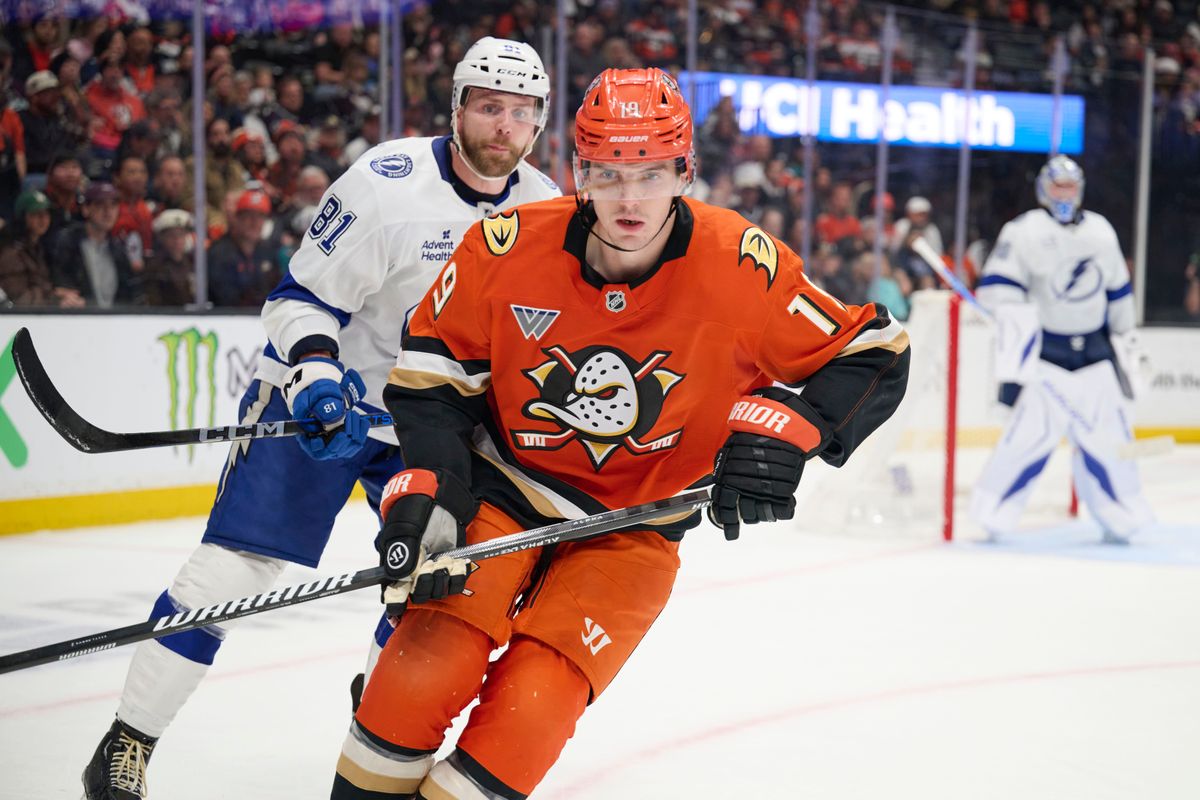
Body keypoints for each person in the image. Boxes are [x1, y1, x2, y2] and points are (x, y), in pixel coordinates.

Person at [331, 67, 910, 800]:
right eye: (608, 173)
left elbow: (875, 351)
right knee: (417, 680)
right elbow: (430, 378)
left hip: (633, 530)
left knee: (527, 718)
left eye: (650, 173)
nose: (629, 198)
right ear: (579, 172)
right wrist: (436, 489)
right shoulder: (506, 245)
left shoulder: (740, 264)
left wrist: (789, 431)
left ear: (684, 173)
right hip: (504, 491)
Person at [82, 37, 558, 800]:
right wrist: (312, 373)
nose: (504, 126)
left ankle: (374, 716)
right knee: (226, 576)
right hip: (322, 406)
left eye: (522, 113)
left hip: (423, 424)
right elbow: (297, 298)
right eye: (491, 107)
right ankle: (127, 740)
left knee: (431, 583)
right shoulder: (386, 183)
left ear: (538, 124)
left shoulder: (543, 209)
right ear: (459, 108)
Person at [969, 155, 1154, 543]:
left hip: (1095, 354)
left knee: (1111, 443)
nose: (1064, 194)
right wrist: (1010, 318)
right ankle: (993, 513)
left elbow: (1118, 293)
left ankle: (1123, 517)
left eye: (1070, 187)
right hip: (1046, 357)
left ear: (1081, 189)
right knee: (1028, 439)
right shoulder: (1022, 231)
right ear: (1043, 189)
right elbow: (998, 289)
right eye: (1058, 186)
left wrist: (1127, 342)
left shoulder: (1101, 231)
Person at [51, 181, 141, 307]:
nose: (108, 211)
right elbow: (60, 280)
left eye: (113, 205)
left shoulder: (118, 249)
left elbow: (129, 292)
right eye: (100, 205)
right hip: (78, 318)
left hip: (114, 322)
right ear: (86, 209)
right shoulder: (68, 242)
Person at [0, 189, 84, 307]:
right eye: (36, 214)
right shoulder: (11, 254)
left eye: (46, 213)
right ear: (22, 218)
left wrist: (58, 293)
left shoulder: (37, 248)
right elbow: (19, 299)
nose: (43, 219)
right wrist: (55, 299)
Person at [204, 187, 279, 308]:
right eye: (248, 216)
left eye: (260, 217)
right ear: (237, 219)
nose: (254, 222)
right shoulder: (219, 253)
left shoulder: (268, 251)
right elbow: (224, 297)